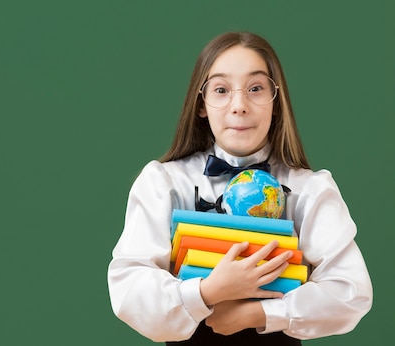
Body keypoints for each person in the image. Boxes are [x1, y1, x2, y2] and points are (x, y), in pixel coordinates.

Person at [106, 31, 373, 345]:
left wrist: (256, 315)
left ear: (277, 101)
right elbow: (129, 289)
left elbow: (351, 292)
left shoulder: (309, 189)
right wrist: (209, 292)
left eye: (256, 88)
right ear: (201, 104)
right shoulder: (164, 182)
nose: (239, 105)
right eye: (221, 90)